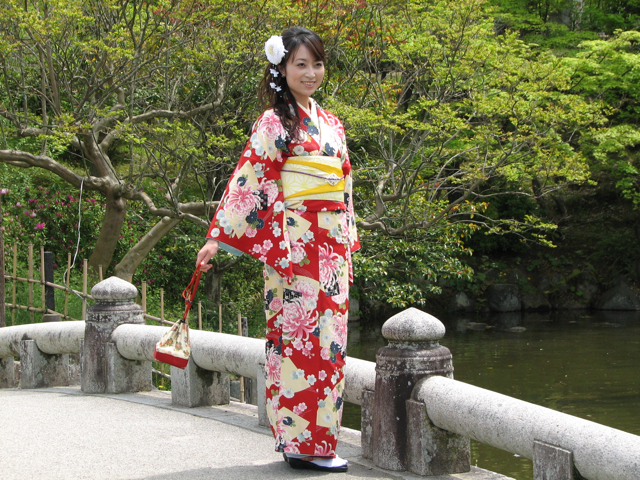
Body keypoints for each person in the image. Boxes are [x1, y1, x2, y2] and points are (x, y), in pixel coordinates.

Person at [195, 27, 359, 472]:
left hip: (330, 248)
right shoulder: (274, 123)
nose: (310, 73)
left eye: (317, 64)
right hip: (294, 247)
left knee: (330, 343)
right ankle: (297, 441)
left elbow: (341, 184)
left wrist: (347, 237)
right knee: (296, 340)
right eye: (300, 64)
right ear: (282, 69)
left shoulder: (332, 123)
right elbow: (251, 179)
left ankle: (320, 442)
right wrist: (218, 237)